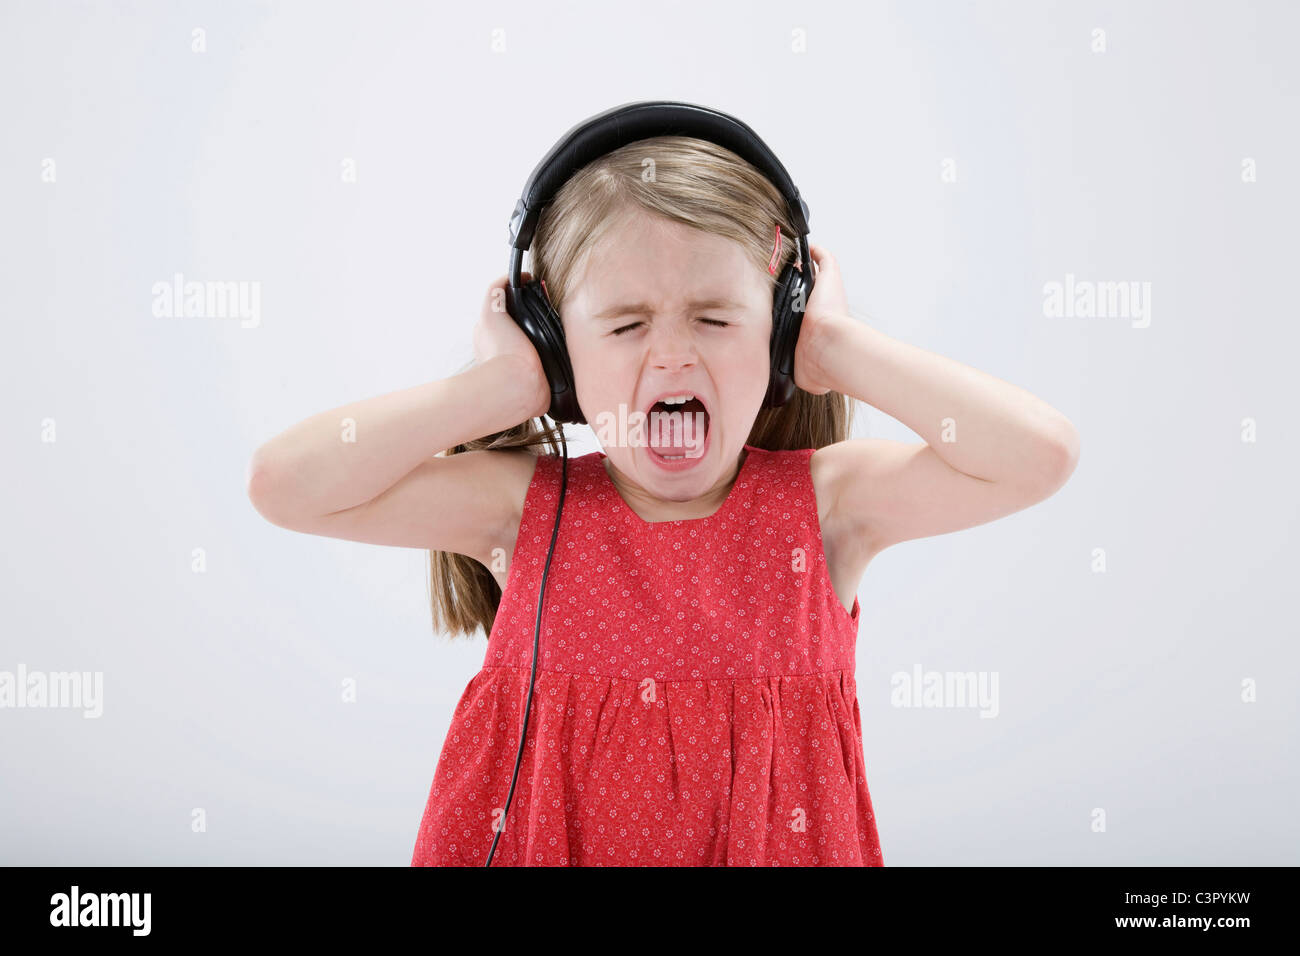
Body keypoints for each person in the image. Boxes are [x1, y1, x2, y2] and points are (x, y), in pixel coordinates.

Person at [247, 134, 1079, 866]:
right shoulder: (521, 510)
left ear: (779, 337)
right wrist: (500, 387)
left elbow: (1038, 456)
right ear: (559, 353)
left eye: (716, 318)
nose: (674, 357)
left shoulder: (828, 509)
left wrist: (836, 345)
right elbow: (285, 486)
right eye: (624, 325)